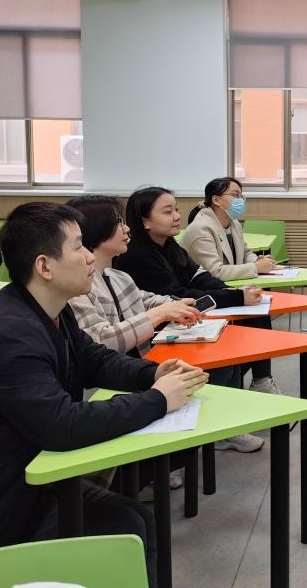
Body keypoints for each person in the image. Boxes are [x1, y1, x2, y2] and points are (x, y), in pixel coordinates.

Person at [0, 203, 207, 586]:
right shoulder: (12, 334)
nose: (90, 256)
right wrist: (158, 399)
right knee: (123, 532)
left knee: (136, 519)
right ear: (45, 266)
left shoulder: (50, 309)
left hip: (17, 481)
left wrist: (153, 373)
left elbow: (94, 360)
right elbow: (64, 425)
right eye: (78, 247)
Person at [66, 194, 203, 491]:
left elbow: (145, 299)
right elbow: (102, 340)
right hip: (104, 389)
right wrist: (158, 314)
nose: (127, 229)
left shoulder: (116, 275)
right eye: (118, 222)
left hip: (133, 372)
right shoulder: (77, 288)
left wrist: (177, 305)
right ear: (95, 230)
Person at [115, 186, 265, 452]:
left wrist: (231, 292)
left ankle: (225, 423)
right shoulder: (136, 255)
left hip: (182, 322)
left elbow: (200, 277)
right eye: (167, 211)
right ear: (145, 221)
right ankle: (208, 427)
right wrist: (235, 297)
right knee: (220, 363)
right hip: (156, 334)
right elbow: (178, 295)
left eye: (176, 209)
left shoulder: (169, 245)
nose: (177, 216)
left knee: (232, 356)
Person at [181, 177, 280, 395]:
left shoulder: (232, 223)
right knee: (255, 321)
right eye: (235, 195)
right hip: (206, 296)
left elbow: (246, 253)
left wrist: (261, 262)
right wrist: (255, 267)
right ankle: (259, 380)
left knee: (260, 312)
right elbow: (215, 271)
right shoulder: (200, 229)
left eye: (241, 195)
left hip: (227, 289)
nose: (240, 200)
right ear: (216, 199)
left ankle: (261, 379)